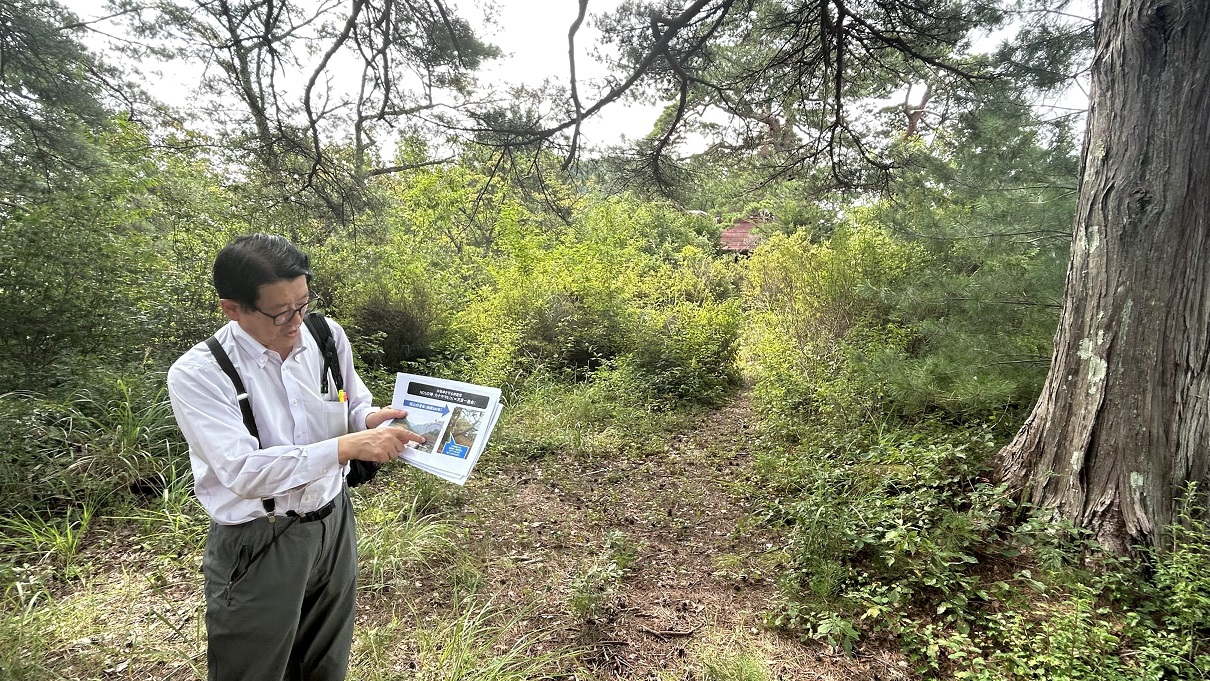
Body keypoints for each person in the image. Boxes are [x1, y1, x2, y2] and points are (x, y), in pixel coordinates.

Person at [167, 233, 423, 680]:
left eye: (302, 304)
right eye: (280, 312)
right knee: (252, 668)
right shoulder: (199, 374)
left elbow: (352, 404)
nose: (295, 321)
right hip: (258, 537)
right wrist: (345, 447)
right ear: (233, 308)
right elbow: (243, 473)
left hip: (333, 520)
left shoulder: (324, 336)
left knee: (326, 663)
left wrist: (369, 421)